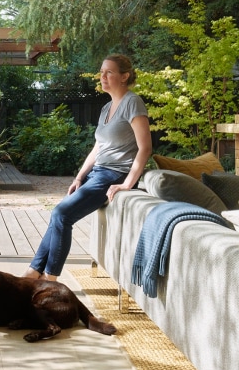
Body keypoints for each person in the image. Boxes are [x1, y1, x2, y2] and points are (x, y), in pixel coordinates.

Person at [23, 53, 152, 283]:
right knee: (59, 214)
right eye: (101, 72)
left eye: (109, 72)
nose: (102, 76)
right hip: (97, 173)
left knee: (62, 214)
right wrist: (80, 177)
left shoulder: (133, 103)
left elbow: (145, 148)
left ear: (124, 76)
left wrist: (126, 184)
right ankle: (34, 273)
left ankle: (49, 280)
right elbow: (98, 147)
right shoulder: (106, 108)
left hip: (114, 174)